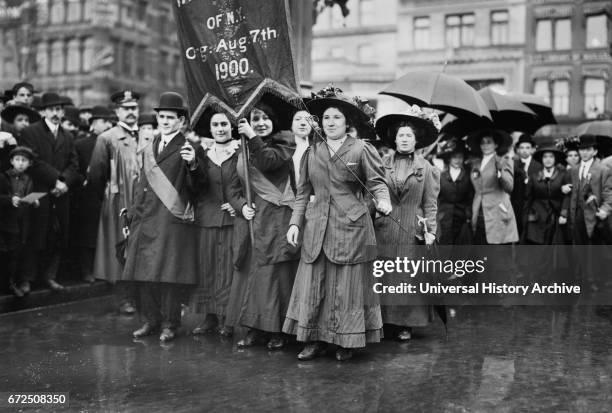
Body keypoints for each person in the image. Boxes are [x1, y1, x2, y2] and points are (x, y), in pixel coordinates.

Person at [284, 86, 392, 361]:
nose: (330, 123)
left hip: (351, 228)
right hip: (316, 226)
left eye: (336, 118)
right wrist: (295, 223)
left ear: (347, 123)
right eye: (326, 118)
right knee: (314, 284)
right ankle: (312, 340)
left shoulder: (360, 149)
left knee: (347, 288)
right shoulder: (311, 152)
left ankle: (346, 341)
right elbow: (302, 192)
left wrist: (383, 200)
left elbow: (377, 183)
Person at [123, 92, 199, 342]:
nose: (165, 121)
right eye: (162, 116)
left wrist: (194, 166)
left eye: (171, 117)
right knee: (144, 274)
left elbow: (199, 187)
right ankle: (150, 320)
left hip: (170, 220)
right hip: (145, 219)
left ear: (181, 121)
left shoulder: (189, 148)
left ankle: (170, 323)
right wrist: (132, 215)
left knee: (169, 277)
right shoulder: (149, 147)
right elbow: (140, 185)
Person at [233, 96, 300, 350]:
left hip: (280, 219)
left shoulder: (285, 143)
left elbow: (268, 162)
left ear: (274, 122)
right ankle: (256, 328)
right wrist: (241, 205)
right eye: (255, 119)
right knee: (258, 277)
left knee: (279, 277)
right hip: (256, 219)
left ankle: (278, 330)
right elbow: (232, 186)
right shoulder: (244, 146)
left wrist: (251, 135)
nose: (260, 123)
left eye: (264, 118)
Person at [373, 105, 440, 341]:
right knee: (386, 277)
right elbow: (372, 190)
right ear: (394, 138)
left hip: (411, 228)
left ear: (416, 140)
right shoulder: (381, 163)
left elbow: (430, 204)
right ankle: (383, 321)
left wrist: (430, 230)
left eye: (408, 135)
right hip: (386, 227)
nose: (404, 139)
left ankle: (405, 324)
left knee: (407, 278)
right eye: (400, 135)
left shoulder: (427, 168)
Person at [88, 91, 148, 314]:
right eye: (126, 108)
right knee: (121, 249)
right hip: (119, 201)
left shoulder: (146, 135)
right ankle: (125, 298)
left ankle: (144, 297)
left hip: (145, 202)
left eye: (134, 107)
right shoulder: (107, 138)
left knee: (143, 248)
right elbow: (96, 175)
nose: (131, 112)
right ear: (117, 111)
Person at [189, 111, 245, 337]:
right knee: (208, 267)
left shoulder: (241, 152)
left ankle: (227, 319)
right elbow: (195, 185)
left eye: (224, 124)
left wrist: (238, 205)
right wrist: (192, 166)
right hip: (207, 217)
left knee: (228, 268)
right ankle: (209, 317)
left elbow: (249, 184)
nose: (220, 128)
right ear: (210, 129)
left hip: (232, 220)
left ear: (231, 127)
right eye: (216, 124)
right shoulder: (202, 153)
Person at [18, 92, 79, 292]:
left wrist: (64, 182)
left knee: (57, 235)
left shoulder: (67, 136)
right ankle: (27, 278)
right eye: (52, 109)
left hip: (60, 194)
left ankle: (49, 276)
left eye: (59, 110)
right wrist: (57, 179)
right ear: (43, 111)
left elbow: (73, 163)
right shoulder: (30, 132)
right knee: (34, 234)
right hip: (38, 192)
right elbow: (32, 161)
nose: (56, 113)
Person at [71, 106, 114, 283]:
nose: (107, 125)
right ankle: (86, 270)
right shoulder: (81, 144)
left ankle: (103, 269)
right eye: (104, 122)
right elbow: (75, 167)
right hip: (88, 194)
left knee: (106, 231)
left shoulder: (113, 143)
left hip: (109, 191)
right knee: (88, 233)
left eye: (109, 122)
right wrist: (84, 179)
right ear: (94, 124)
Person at [567, 135, 612, 291]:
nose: (584, 152)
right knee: (579, 246)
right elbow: (573, 193)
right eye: (581, 149)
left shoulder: (603, 169)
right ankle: (583, 277)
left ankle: (593, 279)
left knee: (593, 249)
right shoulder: (574, 170)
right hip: (577, 214)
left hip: (594, 214)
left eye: (588, 149)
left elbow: (608, 193)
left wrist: (605, 209)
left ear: (595, 151)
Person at [0, 146, 39, 297]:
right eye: (17, 160)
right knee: (9, 254)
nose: (21, 163)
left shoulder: (28, 179)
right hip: (8, 222)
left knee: (19, 252)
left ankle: (19, 281)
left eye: (24, 161)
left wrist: (33, 201)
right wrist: (10, 200)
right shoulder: (4, 177)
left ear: (29, 163)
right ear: (11, 161)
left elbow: (29, 195)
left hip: (23, 221)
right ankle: (9, 284)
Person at [436, 136, 474, 245]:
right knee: (444, 247)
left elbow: (470, 197)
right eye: (454, 157)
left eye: (460, 157)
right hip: (444, 218)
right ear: (449, 158)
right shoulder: (441, 176)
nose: (457, 160)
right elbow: (436, 198)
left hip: (461, 218)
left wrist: (468, 215)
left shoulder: (467, 176)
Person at [512, 133, 542, 237]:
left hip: (532, 207)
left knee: (531, 236)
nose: (524, 150)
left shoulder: (538, 167)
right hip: (516, 206)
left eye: (527, 147)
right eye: (522, 147)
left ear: (533, 150)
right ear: (517, 150)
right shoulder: (512, 165)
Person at [291, 109, 313, 184]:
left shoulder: (318, 148)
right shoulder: (282, 148)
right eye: (298, 119)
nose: (303, 123)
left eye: (308, 120)